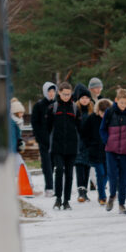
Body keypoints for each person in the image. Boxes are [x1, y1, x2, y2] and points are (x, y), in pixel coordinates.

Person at [101, 88, 126, 215]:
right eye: (121, 102)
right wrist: (107, 140)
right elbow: (102, 128)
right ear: (116, 100)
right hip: (111, 150)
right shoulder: (109, 112)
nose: (124, 105)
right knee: (112, 175)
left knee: (124, 177)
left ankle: (122, 203)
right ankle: (111, 195)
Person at [48, 82, 82, 210]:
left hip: (72, 147)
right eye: (64, 94)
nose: (66, 96)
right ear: (59, 93)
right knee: (59, 171)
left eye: (68, 94)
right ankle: (58, 198)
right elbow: (47, 127)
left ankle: (66, 200)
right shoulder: (53, 108)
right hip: (57, 146)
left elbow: (80, 127)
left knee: (69, 174)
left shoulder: (75, 108)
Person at [83, 98, 111, 206]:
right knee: (100, 173)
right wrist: (89, 145)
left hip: (109, 151)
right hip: (95, 151)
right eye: (102, 112)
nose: (103, 115)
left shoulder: (112, 119)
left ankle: (101, 189)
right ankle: (102, 196)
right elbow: (84, 133)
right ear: (98, 110)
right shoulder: (91, 119)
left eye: (105, 113)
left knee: (107, 173)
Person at [31, 81, 56, 196]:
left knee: (53, 163)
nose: (51, 93)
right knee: (46, 164)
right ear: (45, 92)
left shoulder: (57, 104)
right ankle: (49, 187)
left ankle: (55, 186)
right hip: (44, 140)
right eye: (49, 91)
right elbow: (35, 123)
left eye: (53, 91)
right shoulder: (39, 105)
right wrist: (39, 137)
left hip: (55, 140)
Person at [72, 84, 94, 203]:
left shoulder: (92, 112)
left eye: (87, 98)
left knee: (87, 167)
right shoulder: (75, 111)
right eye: (82, 98)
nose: (85, 100)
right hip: (78, 143)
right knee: (79, 166)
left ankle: (85, 192)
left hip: (89, 144)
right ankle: (80, 192)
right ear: (79, 99)